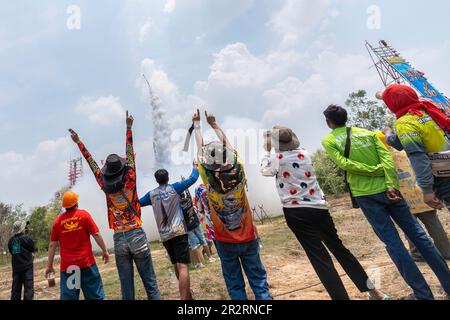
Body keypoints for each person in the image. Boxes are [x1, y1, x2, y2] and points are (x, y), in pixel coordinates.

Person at [322, 104, 450, 300]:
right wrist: (390, 183)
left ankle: (422, 294)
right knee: (419, 235)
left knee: (393, 243)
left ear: (328, 122)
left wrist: (371, 170)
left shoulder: (329, 141)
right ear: (346, 117)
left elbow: (344, 164)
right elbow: (387, 160)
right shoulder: (368, 134)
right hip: (391, 191)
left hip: (366, 195)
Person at [260, 126, 389, 300]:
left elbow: (264, 170)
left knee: (320, 259)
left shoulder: (276, 159)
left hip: (296, 213)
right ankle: (374, 292)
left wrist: (267, 151)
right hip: (319, 209)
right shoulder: (304, 154)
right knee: (340, 250)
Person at [68, 111, 160, 300]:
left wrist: (78, 142)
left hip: (119, 239)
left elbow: (91, 162)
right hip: (137, 233)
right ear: (123, 168)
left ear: (107, 172)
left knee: (127, 290)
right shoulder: (131, 178)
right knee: (150, 284)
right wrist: (128, 127)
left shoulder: (104, 184)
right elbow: (129, 151)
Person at [192, 109, 272, 300]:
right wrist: (214, 125)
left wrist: (197, 125)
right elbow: (228, 145)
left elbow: (199, 148)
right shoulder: (238, 168)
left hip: (224, 238)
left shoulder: (207, 176)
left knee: (234, 284)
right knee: (259, 281)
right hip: (247, 235)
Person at [376, 131, 450, 261]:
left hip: (402, 197)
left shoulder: (381, 158)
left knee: (410, 227)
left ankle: (417, 254)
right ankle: (446, 251)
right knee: (434, 224)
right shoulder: (405, 150)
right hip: (421, 193)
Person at [381, 84, 450, 209]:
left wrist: (427, 190)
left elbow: (418, 157)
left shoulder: (405, 123)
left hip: (444, 177)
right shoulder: (429, 111)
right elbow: (400, 142)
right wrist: (388, 136)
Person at [139, 165, 199, 300]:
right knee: (183, 266)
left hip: (165, 235)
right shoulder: (175, 187)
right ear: (168, 178)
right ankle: (184, 299)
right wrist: (195, 166)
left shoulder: (151, 194)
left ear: (156, 180)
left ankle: (188, 296)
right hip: (179, 232)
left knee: (176, 265)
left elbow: (137, 203)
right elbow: (193, 178)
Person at [45, 192, 109, 300]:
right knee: (95, 296)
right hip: (86, 264)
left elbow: (52, 245)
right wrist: (105, 251)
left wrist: (50, 266)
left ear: (64, 207)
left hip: (69, 268)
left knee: (70, 298)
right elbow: (96, 234)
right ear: (76, 203)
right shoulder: (84, 215)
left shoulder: (57, 222)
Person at [8, 221, 36, 300]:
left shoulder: (11, 241)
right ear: (22, 228)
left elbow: (11, 252)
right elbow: (32, 248)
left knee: (15, 290)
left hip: (16, 269)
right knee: (28, 289)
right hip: (27, 268)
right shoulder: (26, 238)